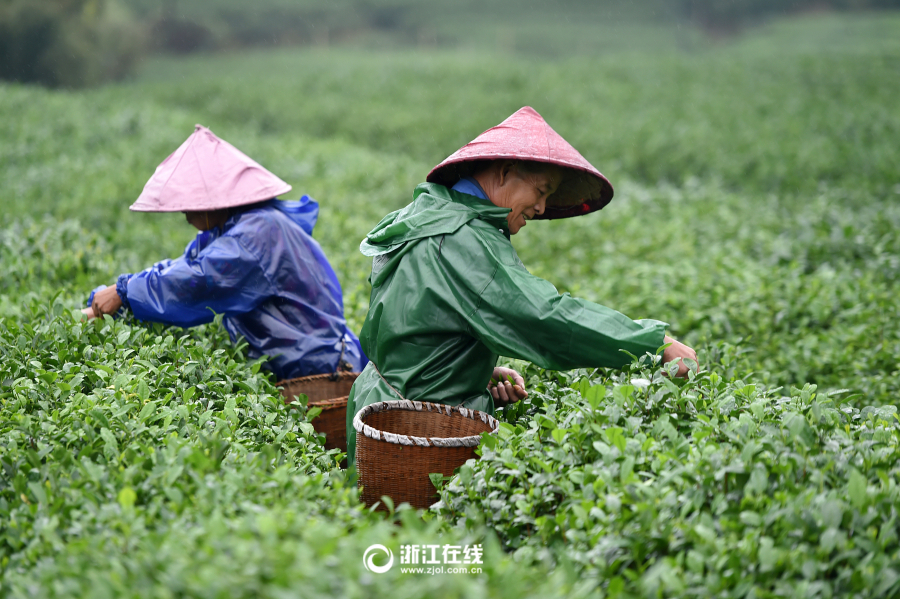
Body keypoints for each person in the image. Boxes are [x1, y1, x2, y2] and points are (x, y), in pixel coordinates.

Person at [345, 106, 697, 467]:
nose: (543, 208)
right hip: (420, 435)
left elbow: (410, 329)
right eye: (541, 191)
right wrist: (653, 343)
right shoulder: (465, 239)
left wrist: (471, 371)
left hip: (377, 415)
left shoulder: (426, 213)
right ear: (506, 172)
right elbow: (543, 317)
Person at [83, 125, 366, 381]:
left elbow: (197, 281)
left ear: (213, 200)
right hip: (296, 363)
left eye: (189, 204)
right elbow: (181, 267)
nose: (184, 213)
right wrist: (115, 299)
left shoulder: (257, 233)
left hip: (317, 369)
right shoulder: (226, 232)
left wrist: (125, 291)